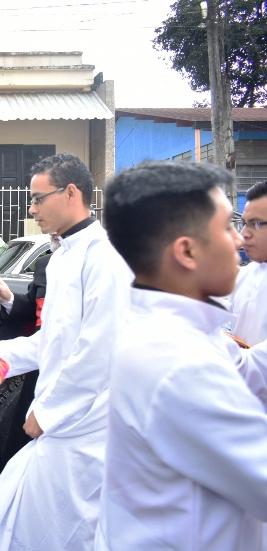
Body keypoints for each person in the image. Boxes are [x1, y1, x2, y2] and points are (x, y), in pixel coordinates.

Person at [0, 153, 132, 551]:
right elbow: (53, 340)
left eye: (38, 198)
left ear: (71, 193)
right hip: (60, 420)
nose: (31, 209)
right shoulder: (60, 258)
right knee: (16, 518)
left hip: (87, 423)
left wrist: (49, 411)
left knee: (66, 528)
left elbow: (100, 350)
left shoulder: (106, 258)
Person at [96, 160, 267, 550]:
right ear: (187, 251)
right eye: (227, 227)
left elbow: (245, 365)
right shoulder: (182, 363)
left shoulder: (167, 333)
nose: (239, 239)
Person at [0, 235, 57, 473]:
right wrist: (9, 298)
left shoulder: (102, 263)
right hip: (36, 372)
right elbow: (35, 309)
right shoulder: (46, 263)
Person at [225, 180, 267, 346]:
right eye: (244, 223)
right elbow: (225, 323)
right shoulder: (241, 276)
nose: (243, 234)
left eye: (255, 224)